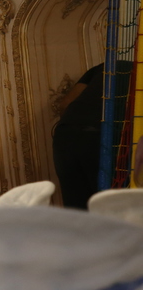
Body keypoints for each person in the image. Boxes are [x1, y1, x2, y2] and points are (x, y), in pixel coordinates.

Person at [53, 63, 103, 208]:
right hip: (101, 137)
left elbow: (65, 104)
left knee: (77, 209)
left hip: (65, 135)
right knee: (111, 206)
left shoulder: (103, 67)